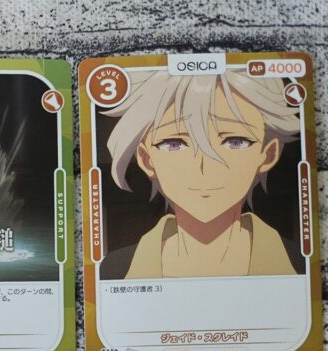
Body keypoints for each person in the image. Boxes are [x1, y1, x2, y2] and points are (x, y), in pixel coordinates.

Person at [101, 70, 301, 279]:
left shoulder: (300, 264)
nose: (205, 166)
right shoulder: (115, 270)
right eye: (174, 144)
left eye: (235, 142)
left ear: (267, 155)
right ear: (146, 159)